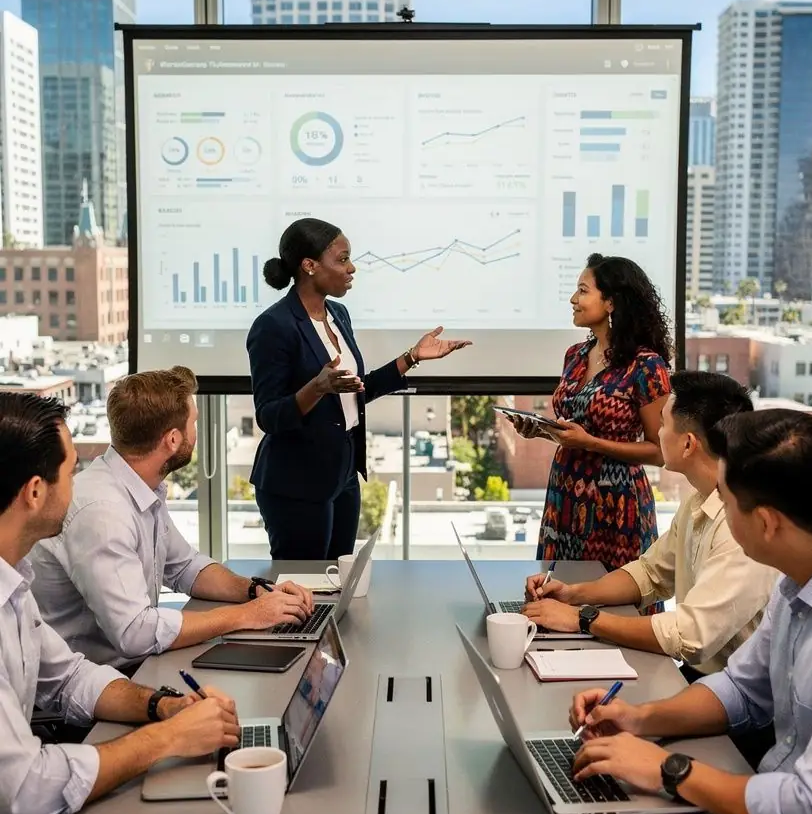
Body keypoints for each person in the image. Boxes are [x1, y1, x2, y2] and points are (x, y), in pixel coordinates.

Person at [569, 409, 812, 814]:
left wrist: (669, 769)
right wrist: (640, 718)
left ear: (766, 523)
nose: (717, 504)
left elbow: (809, 812)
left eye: (725, 495)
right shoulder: (793, 585)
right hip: (765, 806)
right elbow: (742, 688)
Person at [0, 392, 239, 814]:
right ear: (35, 492)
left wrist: (164, 706)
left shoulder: (14, 578)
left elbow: (69, 677)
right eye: (71, 470)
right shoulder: (99, 510)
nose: (80, 481)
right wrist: (166, 739)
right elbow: (23, 790)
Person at [30, 367, 314, 673]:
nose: (196, 430)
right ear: (173, 439)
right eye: (193, 422)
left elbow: (185, 567)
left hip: (130, 666)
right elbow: (135, 633)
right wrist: (247, 616)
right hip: (94, 685)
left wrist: (256, 591)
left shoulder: (138, 485)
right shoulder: (102, 512)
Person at [522, 371, 778, 677]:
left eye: (664, 424)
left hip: (737, 697)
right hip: (705, 680)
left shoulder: (740, 527)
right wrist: (574, 593)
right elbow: (650, 573)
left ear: (687, 444)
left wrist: (581, 618)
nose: (656, 433)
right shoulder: (699, 500)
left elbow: (688, 636)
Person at [247, 217, 471, 559]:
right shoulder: (273, 327)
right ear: (308, 266)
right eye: (342, 259)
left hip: (343, 476)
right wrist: (317, 388)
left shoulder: (338, 314)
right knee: (303, 593)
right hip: (296, 484)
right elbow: (268, 416)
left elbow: (357, 390)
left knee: (340, 581)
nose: (352, 268)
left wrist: (413, 356)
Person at [508, 253, 671, 571]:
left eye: (583, 290)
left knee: (613, 604)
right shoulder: (576, 355)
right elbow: (575, 429)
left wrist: (591, 444)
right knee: (557, 596)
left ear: (611, 302)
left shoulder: (647, 366)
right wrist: (540, 429)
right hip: (564, 493)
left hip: (616, 504)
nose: (573, 299)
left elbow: (660, 451)